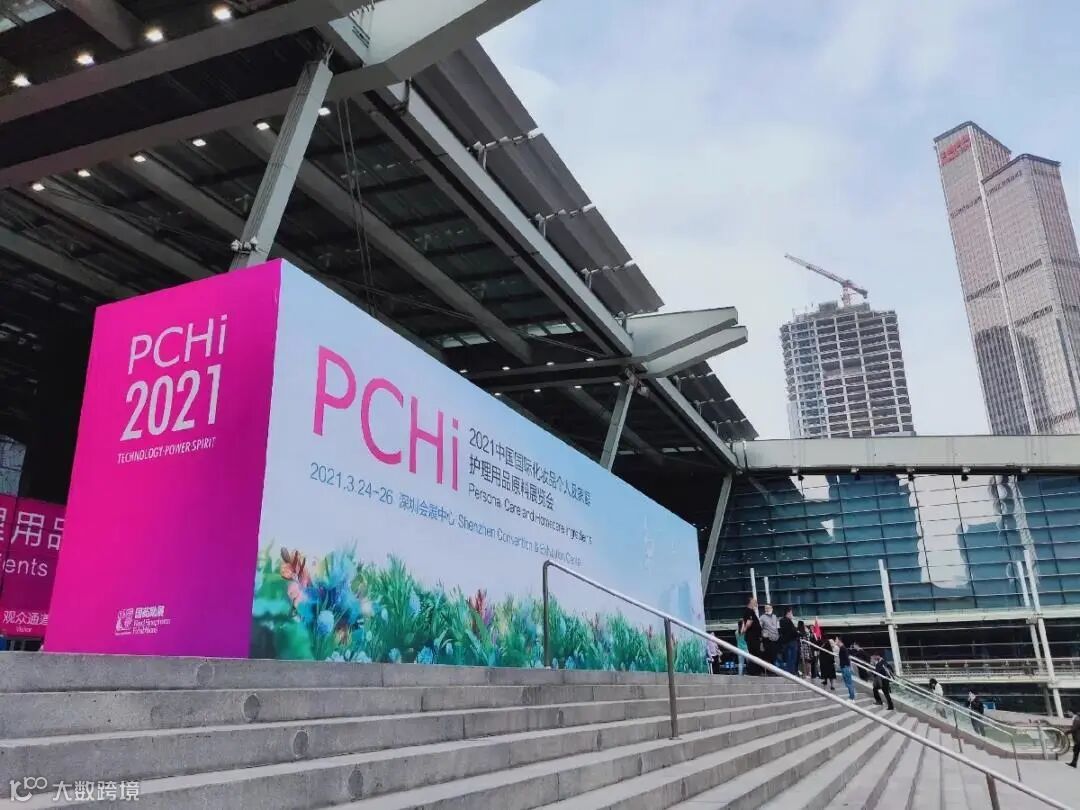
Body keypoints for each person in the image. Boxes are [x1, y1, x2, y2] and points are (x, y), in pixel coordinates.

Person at [740, 596, 762, 676]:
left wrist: (743, 630)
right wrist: (745, 629)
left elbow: (744, 622)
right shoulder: (749, 611)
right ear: (750, 602)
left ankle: (755, 671)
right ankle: (753, 671)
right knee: (755, 653)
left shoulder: (750, 611)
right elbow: (748, 622)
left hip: (754, 637)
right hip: (752, 637)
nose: (755, 602)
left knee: (755, 653)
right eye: (754, 601)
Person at [760, 603, 780, 674]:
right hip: (767, 640)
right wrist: (763, 635)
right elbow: (760, 628)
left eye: (768, 608)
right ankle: (768, 671)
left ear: (772, 608)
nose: (767, 609)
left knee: (774, 656)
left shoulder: (775, 616)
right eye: (765, 608)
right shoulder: (762, 617)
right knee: (768, 656)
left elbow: (777, 627)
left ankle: (773, 671)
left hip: (775, 639)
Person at [778, 608, 799, 674]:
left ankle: (788, 671)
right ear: (788, 613)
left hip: (785, 642)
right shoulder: (789, 621)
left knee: (788, 657)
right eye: (791, 613)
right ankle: (791, 672)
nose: (792, 614)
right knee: (792, 658)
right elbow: (793, 632)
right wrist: (798, 633)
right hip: (791, 642)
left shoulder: (781, 621)